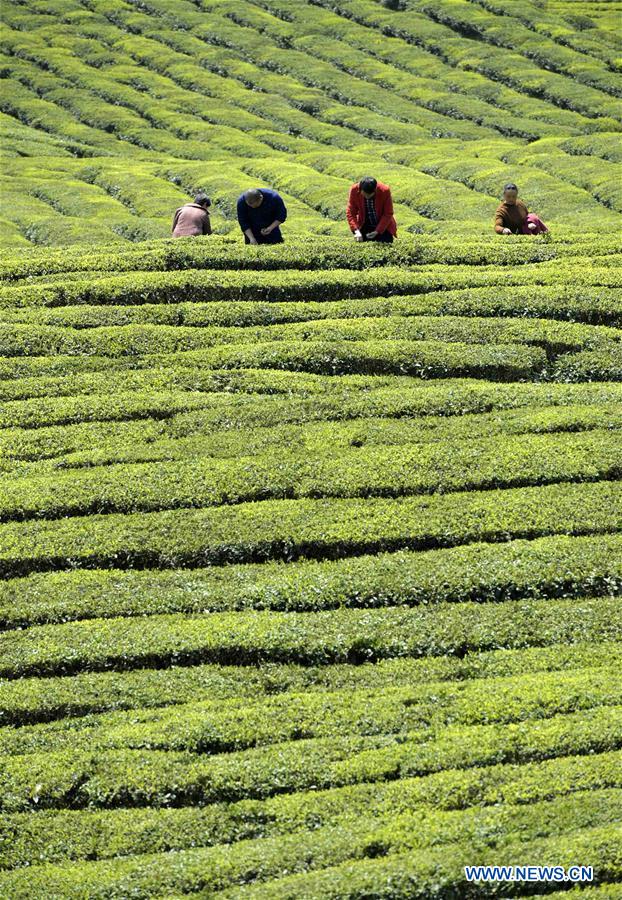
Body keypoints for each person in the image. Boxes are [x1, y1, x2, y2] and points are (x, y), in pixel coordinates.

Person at [347, 177, 397, 243]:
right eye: (365, 195)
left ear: (375, 190)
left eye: (370, 195)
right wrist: (356, 230)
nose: (367, 197)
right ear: (360, 190)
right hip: (364, 224)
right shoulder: (354, 190)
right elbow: (351, 212)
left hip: (383, 226)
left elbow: (388, 213)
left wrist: (377, 231)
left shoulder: (384, 190)